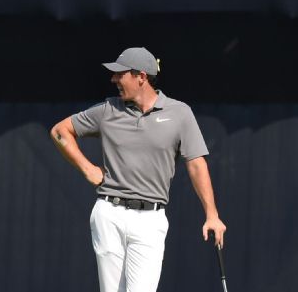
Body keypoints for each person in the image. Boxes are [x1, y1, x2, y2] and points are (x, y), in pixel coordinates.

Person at [51, 46, 227, 292]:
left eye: (120, 74)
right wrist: (88, 168)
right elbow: (60, 131)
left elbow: (197, 165)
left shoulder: (179, 113)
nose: (114, 79)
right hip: (109, 214)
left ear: (141, 77)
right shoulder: (108, 110)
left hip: (150, 220)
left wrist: (212, 215)